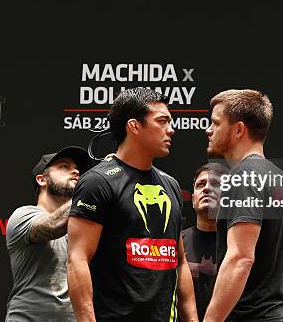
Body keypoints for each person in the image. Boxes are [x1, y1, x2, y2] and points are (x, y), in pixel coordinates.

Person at [67, 87, 198, 322]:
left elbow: (179, 262)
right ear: (134, 126)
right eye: (162, 121)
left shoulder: (171, 185)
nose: (171, 129)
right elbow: (77, 260)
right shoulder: (98, 182)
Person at [203, 89, 283, 322]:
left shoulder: (244, 176)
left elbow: (241, 258)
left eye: (215, 123)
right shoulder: (280, 179)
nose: (208, 130)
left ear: (238, 129)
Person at [5, 147, 92, 322]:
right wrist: (92, 185)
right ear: (42, 180)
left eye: (77, 169)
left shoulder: (82, 227)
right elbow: (54, 225)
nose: (75, 171)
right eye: (64, 166)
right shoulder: (23, 215)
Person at [181, 163, 228, 320]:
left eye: (215, 184)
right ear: (193, 199)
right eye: (201, 184)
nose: (207, 189)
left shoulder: (240, 245)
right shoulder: (177, 241)